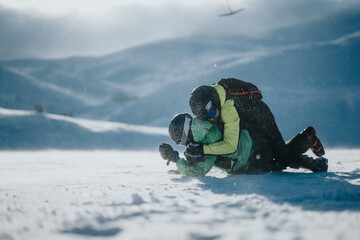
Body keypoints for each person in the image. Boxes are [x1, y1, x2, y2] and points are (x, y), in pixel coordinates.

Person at [184, 78, 325, 170]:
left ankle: (308, 136)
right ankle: (304, 159)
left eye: (211, 114)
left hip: (263, 121)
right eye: (205, 118)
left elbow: (230, 146)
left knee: (283, 158)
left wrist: (203, 149)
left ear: (214, 102)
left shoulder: (228, 108)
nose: (211, 119)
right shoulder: (217, 92)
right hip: (249, 125)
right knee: (272, 159)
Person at [159, 113, 327, 177]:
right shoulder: (203, 124)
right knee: (280, 159)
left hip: (248, 158)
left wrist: (175, 158)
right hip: (250, 140)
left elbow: (197, 171)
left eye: (180, 143)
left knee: (281, 161)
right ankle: (315, 162)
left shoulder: (203, 141)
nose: (184, 146)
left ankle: (307, 137)